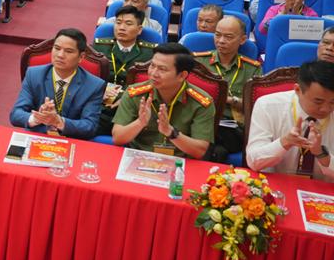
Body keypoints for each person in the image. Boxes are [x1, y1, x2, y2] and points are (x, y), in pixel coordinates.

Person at [112, 43, 213, 158]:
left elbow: (199, 151)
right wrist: (140, 123)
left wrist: (171, 132)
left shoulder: (201, 102)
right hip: (139, 156)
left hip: (180, 160)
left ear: (182, 75)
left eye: (162, 69)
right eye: (152, 66)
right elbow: (117, 138)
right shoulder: (135, 93)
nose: (153, 73)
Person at [10, 29, 106, 138]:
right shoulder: (34, 74)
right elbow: (16, 114)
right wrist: (37, 118)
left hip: (72, 139)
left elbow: (90, 126)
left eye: (68, 51)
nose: (60, 55)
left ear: (81, 57)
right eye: (57, 48)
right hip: (38, 136)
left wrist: (59, 122)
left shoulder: (94, 85)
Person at [246, 60, 334, 180]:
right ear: (297, 90)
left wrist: (321, 154)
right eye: (318, 101)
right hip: (275, 184)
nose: (326, 109)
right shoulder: (267, 105)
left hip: (323, 188)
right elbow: (253, 161)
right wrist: (285, 142)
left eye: (333, 102)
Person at [194, 15, 261, 158]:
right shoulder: (198, 62)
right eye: (217, 35)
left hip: (231, 129)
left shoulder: (252, 68)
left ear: (242, 40)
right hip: (201, 122)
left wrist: (230, 100)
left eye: (228, 37)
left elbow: (256, 106)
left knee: (215, 143)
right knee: (217, 151)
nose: (221, 41)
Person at [93, 6, 156, 136]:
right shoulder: (99, 47)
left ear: (139, 30)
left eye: (128, 24)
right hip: (100, 103)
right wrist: (99, 92)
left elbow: (153, 82)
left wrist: (126, 98)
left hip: (131, 106)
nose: (121, 27)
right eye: (118, 22)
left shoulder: (150, 53)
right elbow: (89, 76)